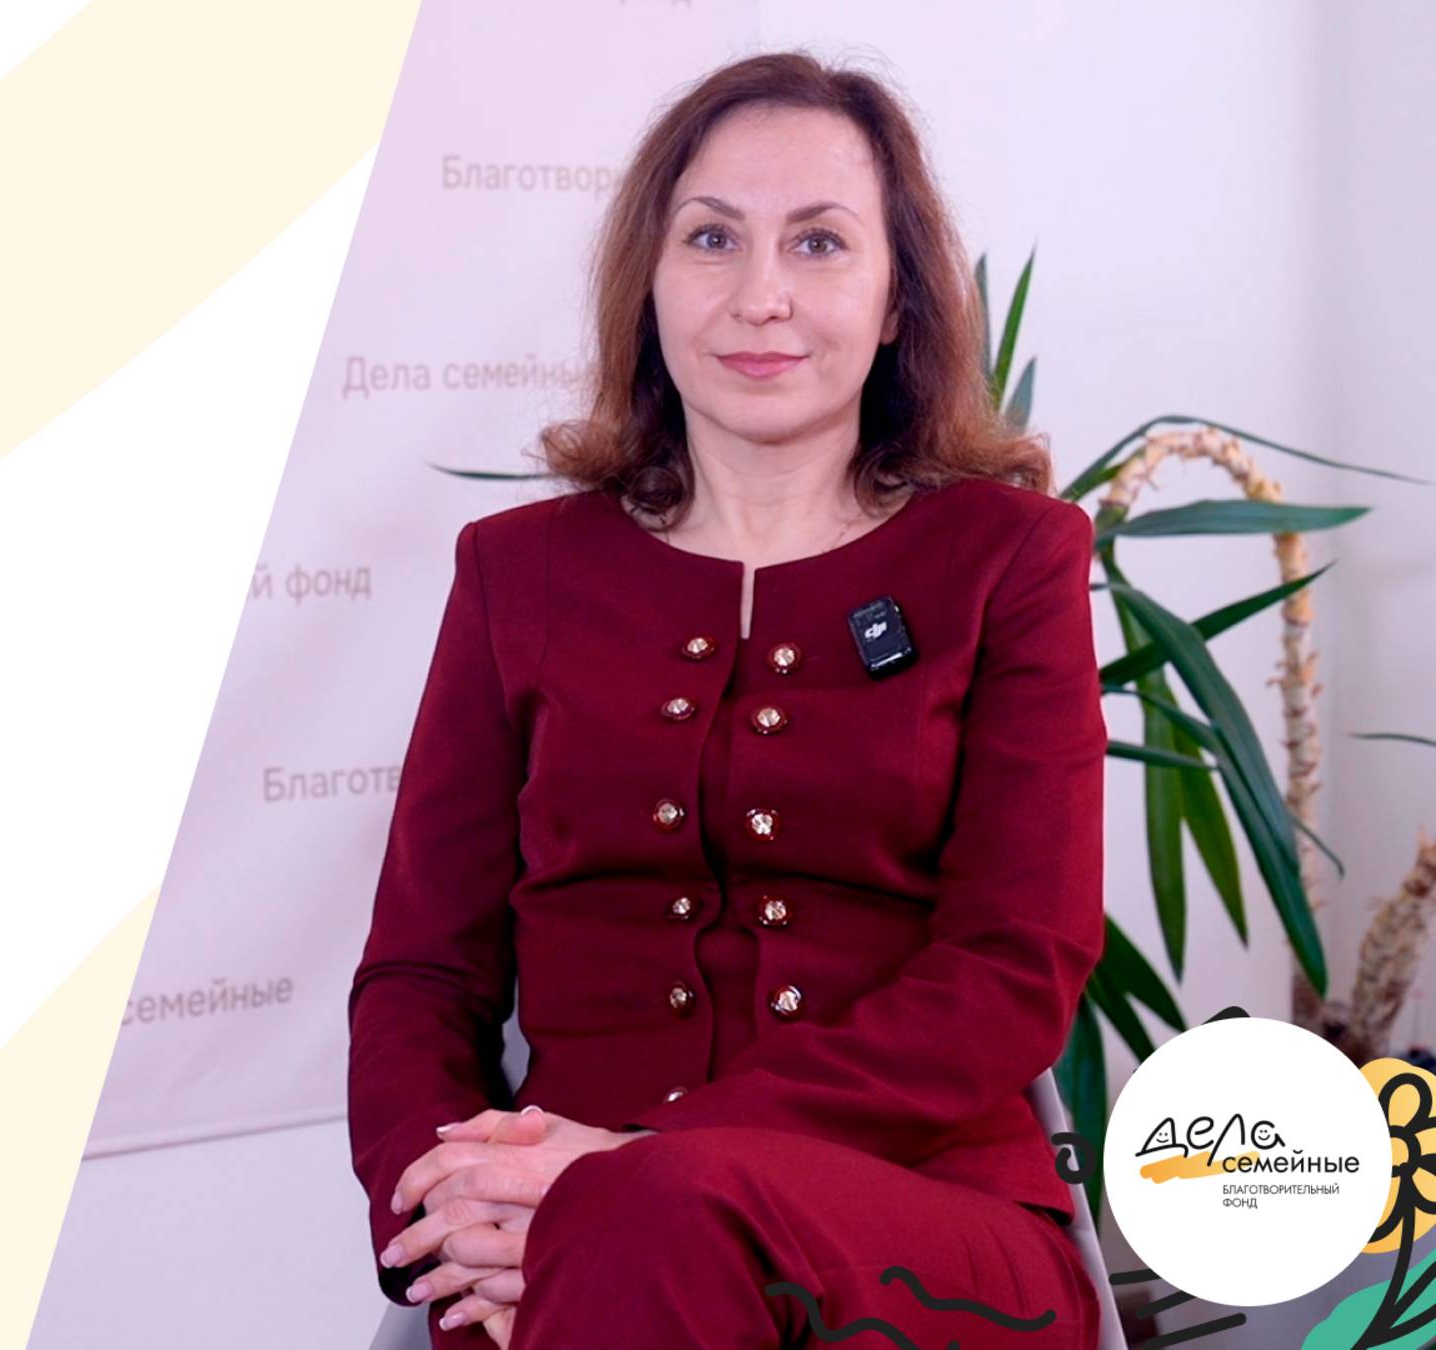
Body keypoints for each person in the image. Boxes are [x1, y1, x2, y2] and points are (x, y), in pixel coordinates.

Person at [346, 51, 1107, 1349]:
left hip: (927, 1233)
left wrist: (627, 1168)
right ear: (648, 285)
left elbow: (1012, 966)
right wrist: (449, 1212)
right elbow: (422, 970)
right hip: (541, 1231)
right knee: (631, 1247)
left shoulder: (1009, 558)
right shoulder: (515, 573)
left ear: (896, 301)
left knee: (655, 1219)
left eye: (819, 242)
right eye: (711, 238)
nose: (762, 295)